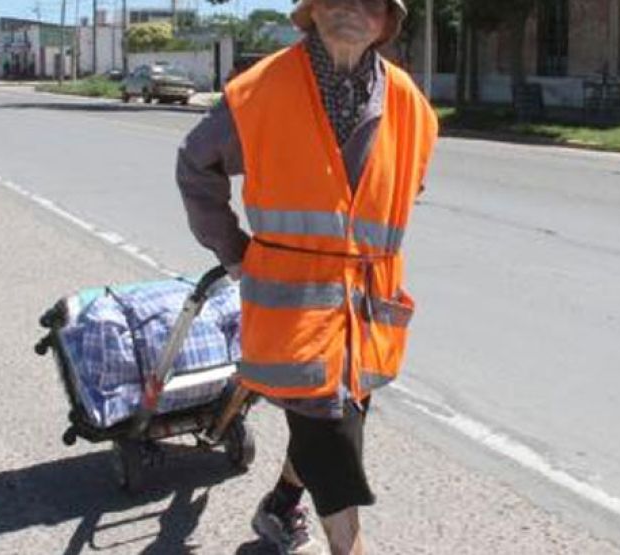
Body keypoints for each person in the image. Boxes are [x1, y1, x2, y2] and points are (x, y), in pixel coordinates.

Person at [176, 0, 437, 553]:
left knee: (337, 422)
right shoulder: (260, 89)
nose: (353, 10)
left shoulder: (412, 106)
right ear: (313, 11)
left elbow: (404, 189)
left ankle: (280, 504)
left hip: (366, 314)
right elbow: (195, 164)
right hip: (293, 312)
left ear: (387, 23)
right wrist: (233, 250)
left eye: (370, 2)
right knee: (333, 440)